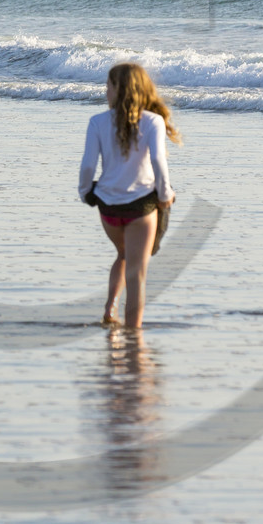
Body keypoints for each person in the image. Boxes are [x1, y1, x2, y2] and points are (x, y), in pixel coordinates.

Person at [79, 62, 179, 328]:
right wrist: (165, 194)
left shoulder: (97, 122)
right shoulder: (153, 121)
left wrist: (85, 192)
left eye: (108, 86)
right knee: (138, 273)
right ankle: (134, 332)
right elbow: (158, 160)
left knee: (123, 256)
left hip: (108, 208)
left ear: (119, 89)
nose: (105, 91)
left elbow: (88, 165)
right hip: (140, 207)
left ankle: (111, 308)